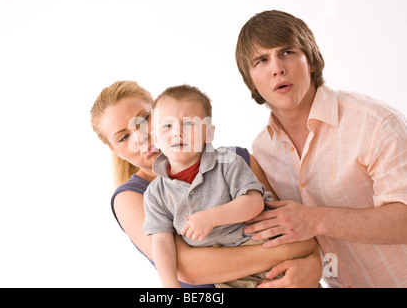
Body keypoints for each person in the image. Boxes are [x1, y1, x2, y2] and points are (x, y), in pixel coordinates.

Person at [90, 80, 322, 287]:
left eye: (145, 119)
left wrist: (312, 265)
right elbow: (190, 270)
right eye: (123, 137)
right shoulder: (138, 196)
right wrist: (293, 250)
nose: (140, 136)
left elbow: (291, 228)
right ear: (114, 150)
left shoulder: (236, 160)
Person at [235, 10, 407, 288]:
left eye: (288, 52)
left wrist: (315, 220)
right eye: (262, 60)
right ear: (251, 81)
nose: (277, 67)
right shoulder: (262, 150)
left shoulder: (375, 122)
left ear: (311, 61)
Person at [143, 85, 287, 288]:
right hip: (226, 275)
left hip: (262, 247)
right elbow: (162, 242)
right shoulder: (155, 194)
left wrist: (211, 218)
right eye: (167, 126)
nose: (177, 133)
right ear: (156, 139)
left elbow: (254, 203)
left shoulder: (228, 162)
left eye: (188, 124)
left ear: (208, 133)